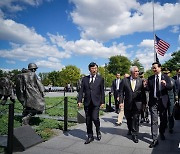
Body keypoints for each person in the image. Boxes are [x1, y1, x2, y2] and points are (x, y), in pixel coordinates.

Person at [144, 62, 172, 148]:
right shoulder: (150, 78)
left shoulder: (166, 77)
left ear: (160, 68)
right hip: (153, 102)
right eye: (152, 68)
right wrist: (145, 86)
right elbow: (149, 89)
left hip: (163, 102)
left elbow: (170, 87)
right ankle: (155, 139)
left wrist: (165, 84)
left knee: (163, 120)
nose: (153, 69)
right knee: (154, 120)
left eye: (155, 68)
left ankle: (162, 132)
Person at [78, 62, 105, 144]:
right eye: (93, 68)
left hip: (96, 102)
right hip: (87, 102)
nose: (94, 70)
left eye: (95, 68)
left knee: (95, 118)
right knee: (88, 120)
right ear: (89, 69)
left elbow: (102, 91)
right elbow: (81, 90)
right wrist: (79, 101)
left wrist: (102, 102)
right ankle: (90, 136)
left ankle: (98, 130)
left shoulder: (100, 79)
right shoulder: (85, 79)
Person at [119, 66, 146, 143]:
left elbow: (144, 93)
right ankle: (130, 128)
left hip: (137, 103)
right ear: (131, 72)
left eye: (138, 71)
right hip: (128, 103)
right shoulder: (124, 81)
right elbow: (121, 92)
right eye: (136, 71)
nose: (137, 73)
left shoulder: (141, 81)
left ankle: (135, 134)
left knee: (136, 118)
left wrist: (144, 103)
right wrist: (121, 102)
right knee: (128, 118)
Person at [162, 68, 176, 134]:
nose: (166, 74)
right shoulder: (161, 80)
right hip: (164, 99)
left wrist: (176, 99)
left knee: (171, 114)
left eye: (167, 73)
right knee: (163, 114)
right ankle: (165, 125)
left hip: (171, 99)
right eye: (165, 73)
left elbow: (175, 90)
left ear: (169, 73)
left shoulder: (173, 80)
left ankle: (171, 127)